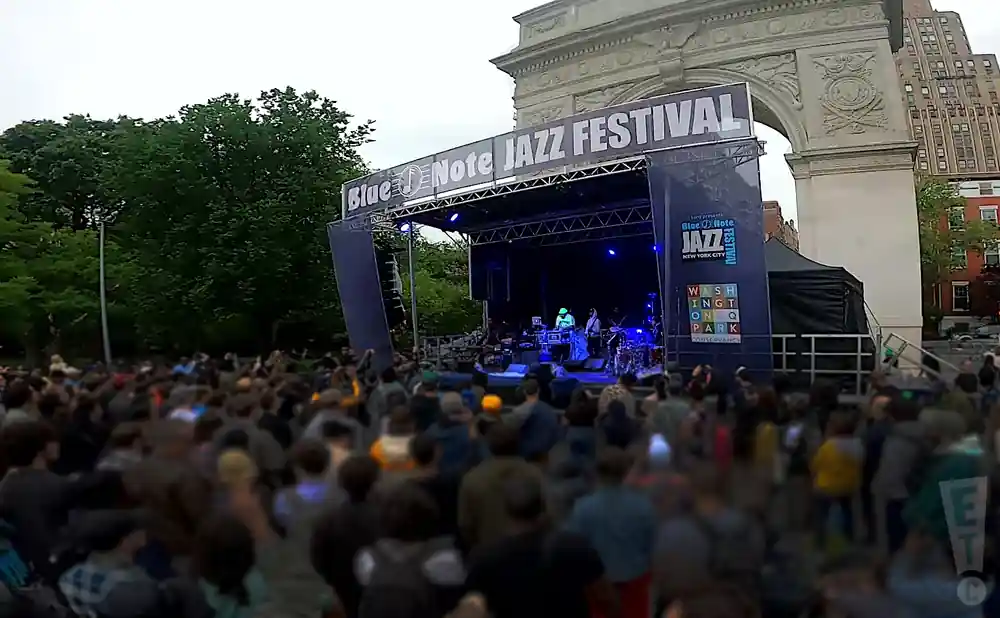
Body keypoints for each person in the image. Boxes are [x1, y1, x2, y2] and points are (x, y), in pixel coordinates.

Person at [463, 474, 619, 618]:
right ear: (543, 506)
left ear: (507, 511)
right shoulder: (574, 546)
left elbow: (473, 608)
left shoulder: (485, 558)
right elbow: (605, 596)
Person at [567, 448, 656, 618]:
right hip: (635, 579)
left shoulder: (583, 508)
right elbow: (652, 544)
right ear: (625, 472)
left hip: (597, 583)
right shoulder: (643, 506)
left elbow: (575, 546)